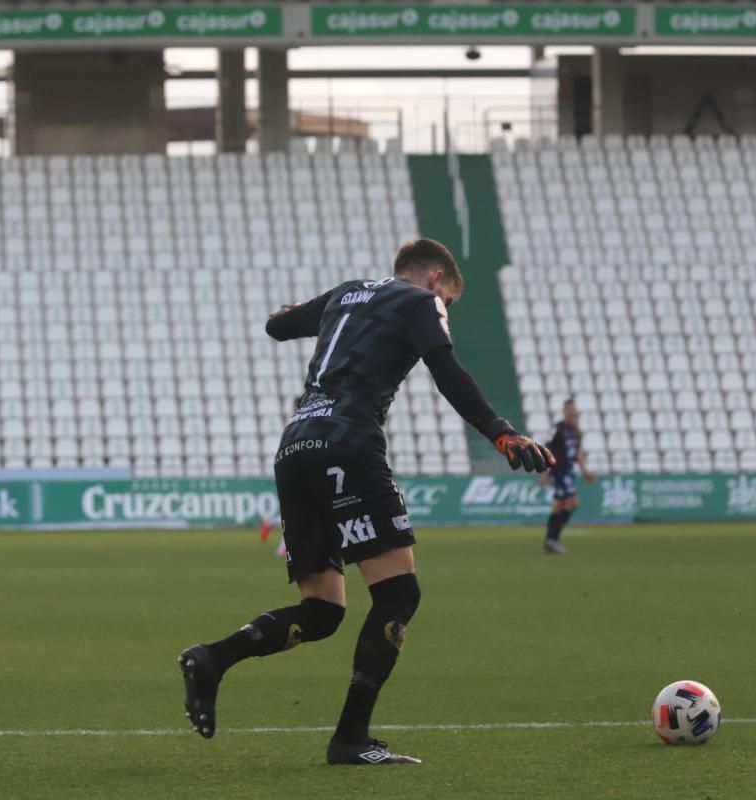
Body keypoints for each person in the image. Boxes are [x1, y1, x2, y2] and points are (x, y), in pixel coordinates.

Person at [178, 239, 553, 765]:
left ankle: (212, 658)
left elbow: (276, 326)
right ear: (437, 279)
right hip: (348, 443)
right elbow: (445, 368)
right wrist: (501, 432)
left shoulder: (347, 292)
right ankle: (350, 739)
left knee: (323, 610)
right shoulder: (422, 301)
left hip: (295, 445)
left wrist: (288, 312)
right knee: (399, 595)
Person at [539, 397, 595, 555]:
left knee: (559, 506)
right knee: (573, 502)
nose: (571, 413)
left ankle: (550, 542)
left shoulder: (576, 431)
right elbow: (545, 449)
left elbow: (578, 453)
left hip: (568, 471)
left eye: (573, 410)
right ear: (564, 412)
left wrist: (585, 471)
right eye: (568, 410)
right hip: (558, 471)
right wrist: (544, 473)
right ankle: (553, 540)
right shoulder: (557, 429)